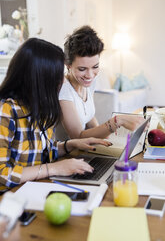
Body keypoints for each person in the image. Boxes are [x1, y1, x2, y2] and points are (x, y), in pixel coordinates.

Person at [0, 38, 111, 191]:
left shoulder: (41, 107)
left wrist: (69, 145)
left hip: (36, 186)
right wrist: (54, 168)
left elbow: (43, 152)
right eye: (58, 75)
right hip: (11, 197)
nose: (63, 81)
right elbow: (2, 175)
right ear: (41, 78)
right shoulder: (6, 111)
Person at [58, 25, 145, 140]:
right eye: (82, 69)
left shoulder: (88, 83)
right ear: (68, 65)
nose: (90, 75)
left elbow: (89, 117)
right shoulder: (64, 90)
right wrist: (117, 121)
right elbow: (77, 136)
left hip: (87, 149)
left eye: (95, 67)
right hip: (70, 155)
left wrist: (106, 140)